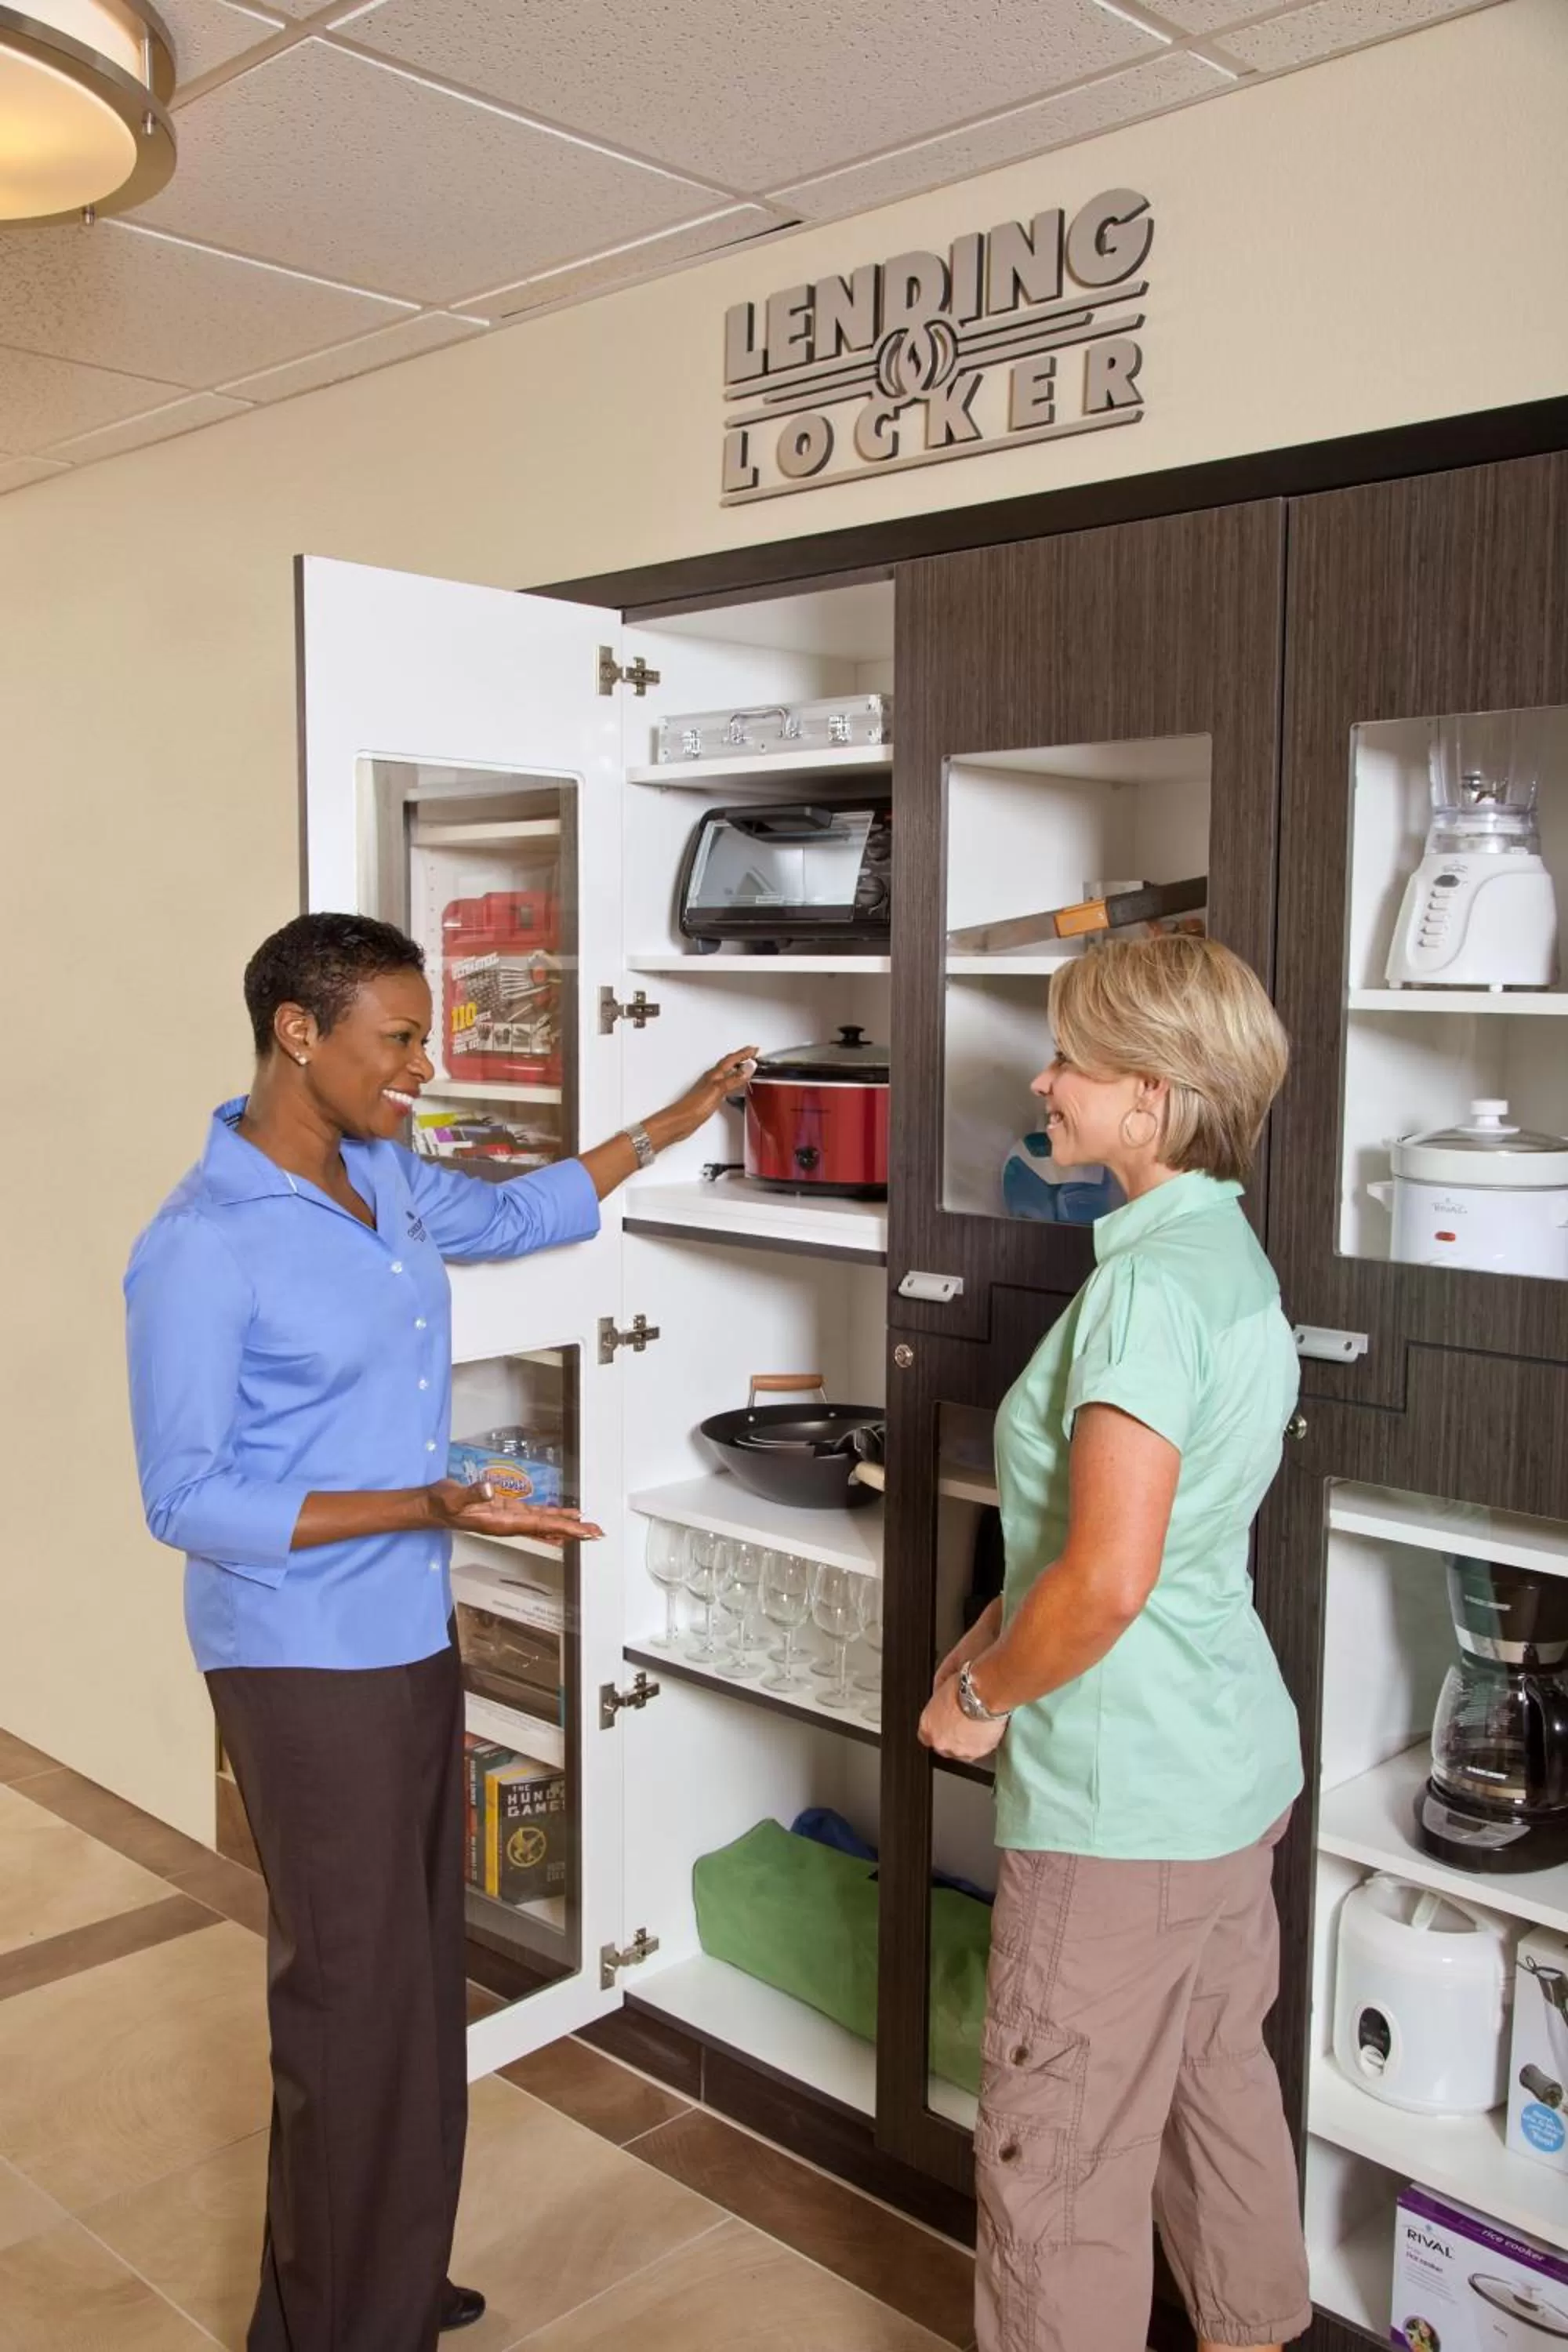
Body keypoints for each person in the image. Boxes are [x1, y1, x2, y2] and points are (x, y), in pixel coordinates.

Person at [124, 911, 756, 2352]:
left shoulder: (389, 1180)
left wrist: (678, 1117)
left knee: (414, 1978)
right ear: (300, 1030)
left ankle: (390, 2279)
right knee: (347, 2002)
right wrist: (425, 1499)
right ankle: (335, 2327)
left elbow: (531, 1208)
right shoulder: (206, 1242)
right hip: (293, 1657)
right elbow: (189, 1497)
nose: (428, 1062)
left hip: (406, 1629)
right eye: (400, 1036)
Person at [919, 934, 1312, 2352]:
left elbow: (1108, 1582)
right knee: (1219, 2101)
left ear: (1150, 1098)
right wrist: (1000, 1619)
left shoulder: (1145, 1292)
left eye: (1072, 1059)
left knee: (1057, 2160)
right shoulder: (1223, 1253)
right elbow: (1124, 1542)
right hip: (1225, 1774)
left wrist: (980, 1689)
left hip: (1121, 1799)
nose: (1045, 1079)